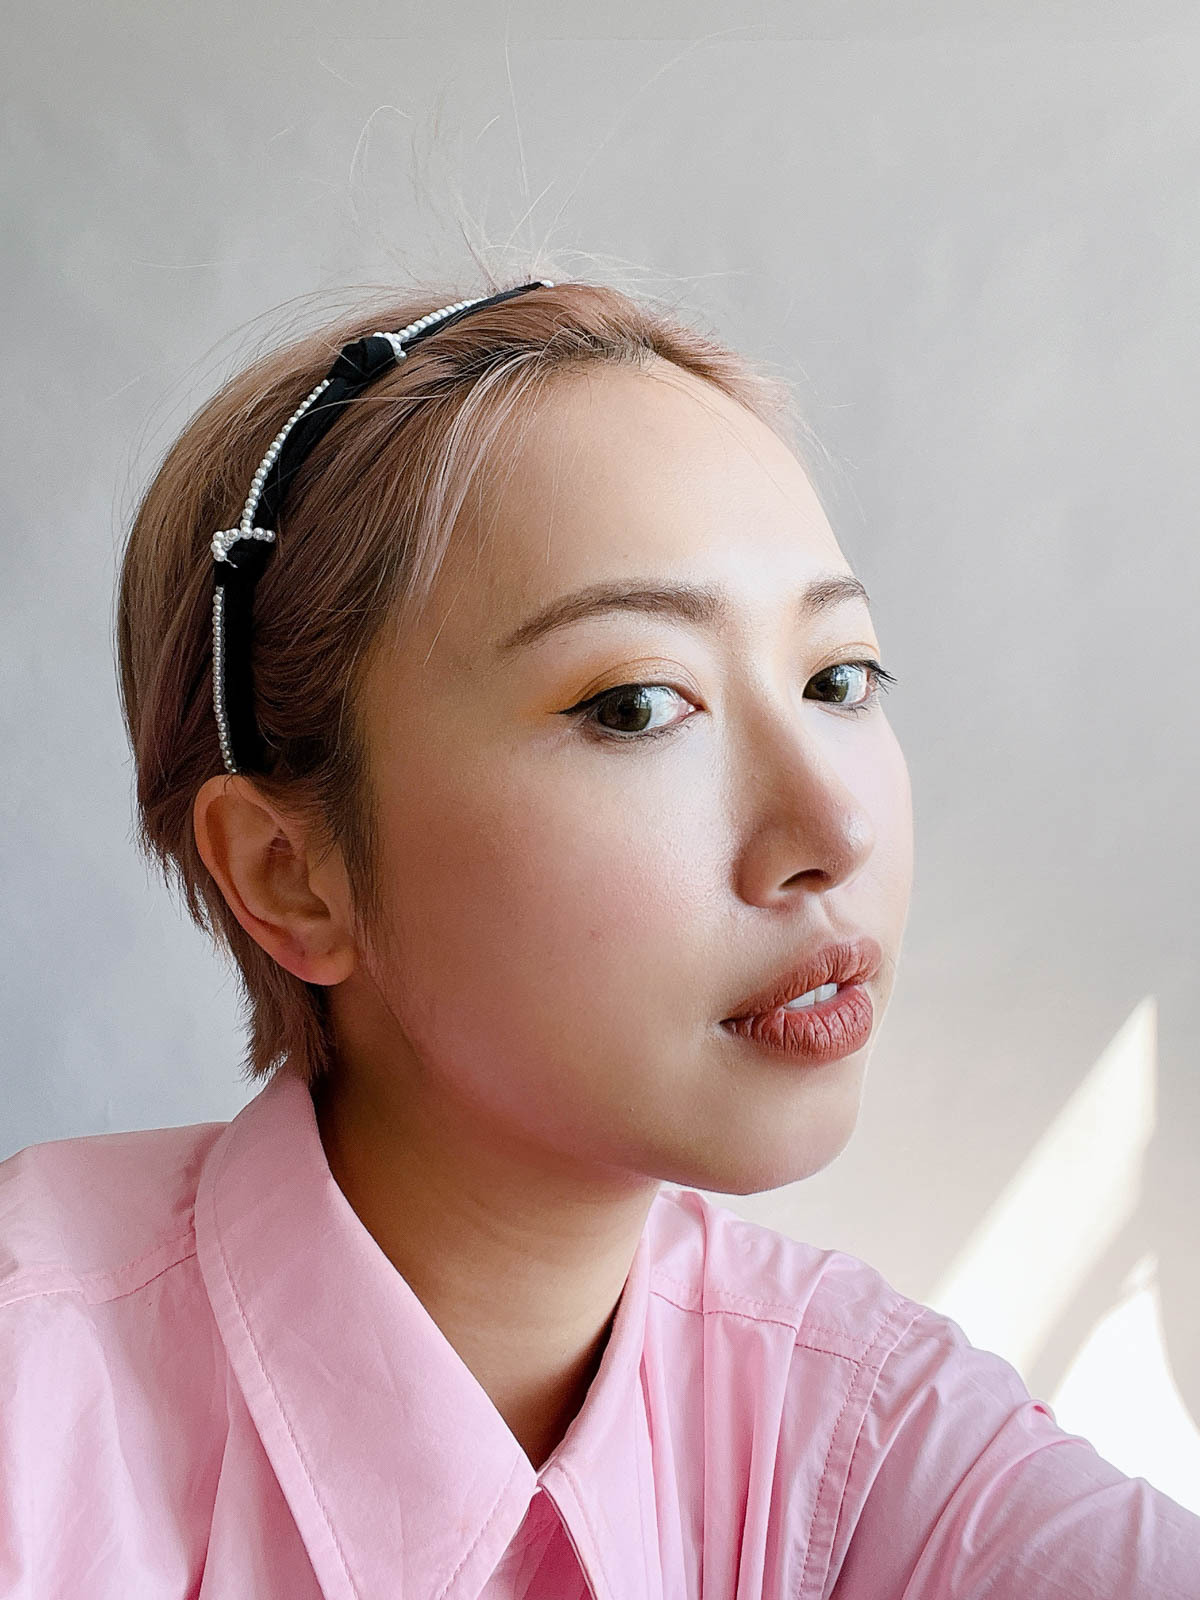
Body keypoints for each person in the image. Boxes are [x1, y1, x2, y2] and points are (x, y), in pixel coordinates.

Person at [2, 275, 1196, 1598]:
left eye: (837, 678)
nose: (835, 830)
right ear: (293, 875)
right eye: (635, 705)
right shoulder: (31, 1406)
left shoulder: (868, 1428)